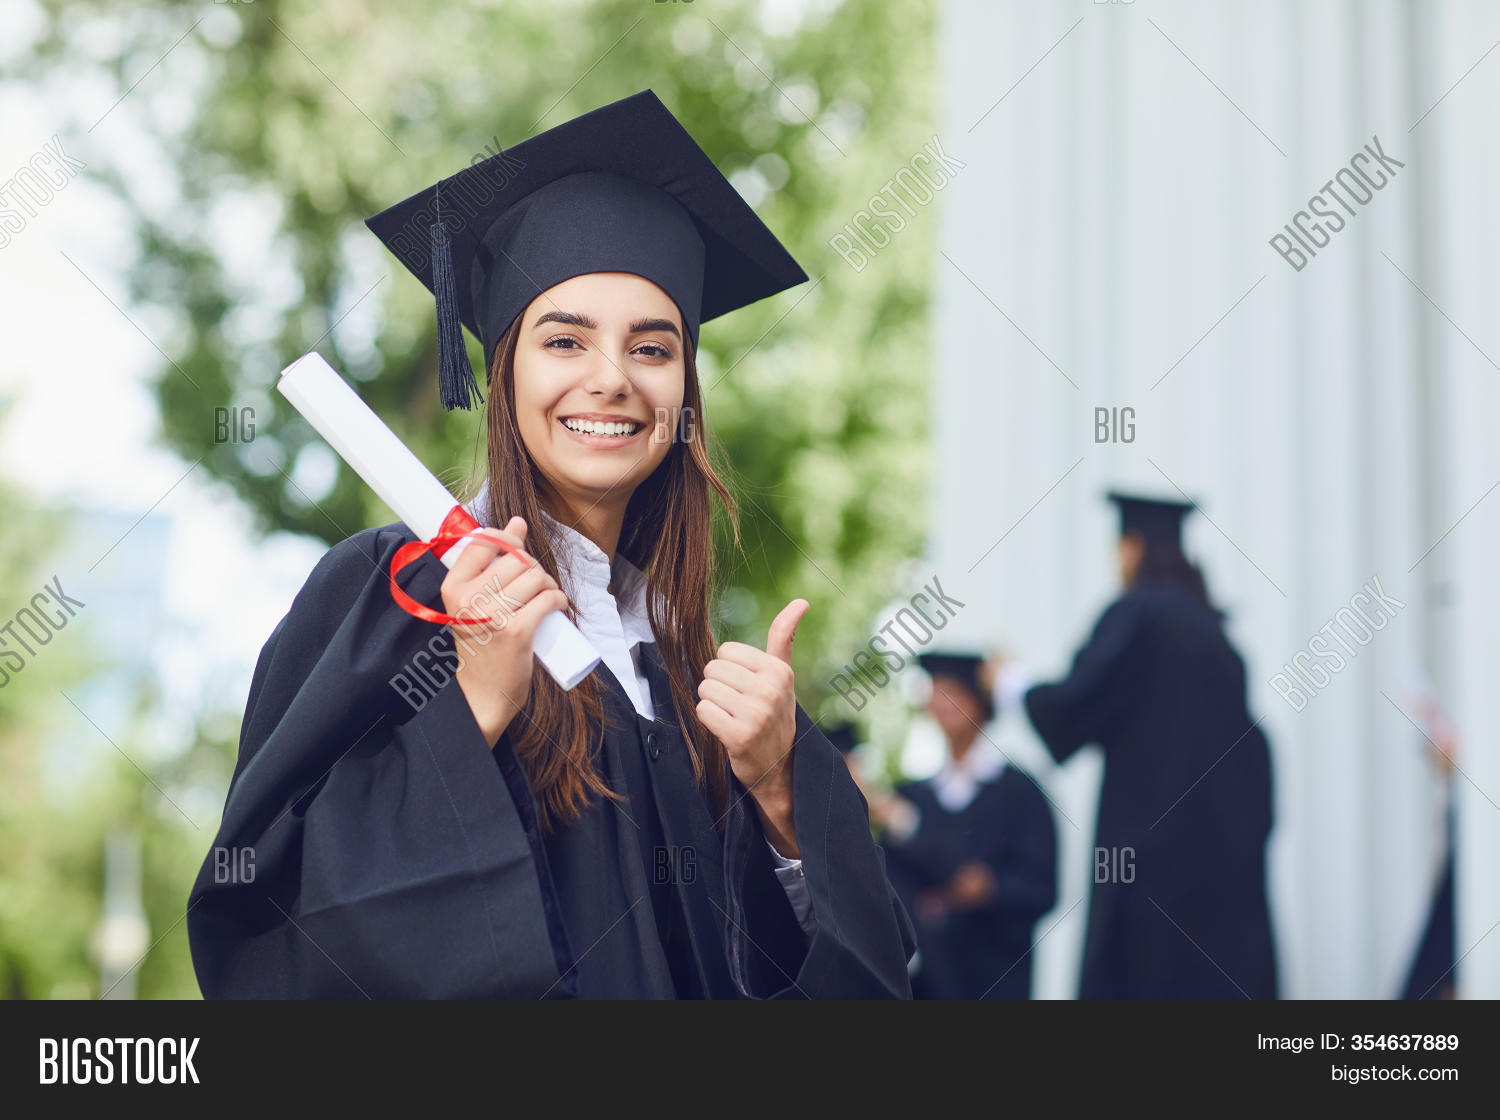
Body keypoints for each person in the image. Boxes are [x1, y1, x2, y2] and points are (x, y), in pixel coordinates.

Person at [187, 91, 915, 999]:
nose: (610, 379)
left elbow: (809, 972)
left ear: (685, 391)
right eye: (564, 339)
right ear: (503, 374)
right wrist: (473, 708)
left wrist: (777, 796)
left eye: (653, 349)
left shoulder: (680, 659)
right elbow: (271, 917)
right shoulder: (399, 591)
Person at [988, 492, 1277, 999]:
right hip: (1222, 885)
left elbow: (1074, 705)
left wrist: (1010, 680)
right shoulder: (1219, 640)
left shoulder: (1140, 614)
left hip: (1147, 875)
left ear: (1132, 547)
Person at [871, 652, 1056, 999]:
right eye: (934, 693)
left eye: (952, 693)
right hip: (926, 979)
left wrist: (993, 888)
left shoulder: (1020, 791)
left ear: (979, 703)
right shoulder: (912, 795)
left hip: (999, 973)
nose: (940, 704)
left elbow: (1044, 887)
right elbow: (890, 885)